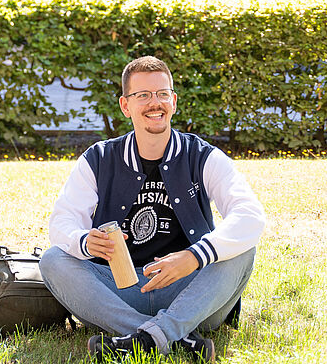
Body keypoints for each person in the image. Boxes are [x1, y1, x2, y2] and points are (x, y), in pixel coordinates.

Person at [40, 56, 266, 362]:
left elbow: (250, 215)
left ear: (174, 101)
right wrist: (84, 241)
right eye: (143, 95)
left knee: (242, 250)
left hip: (188, 293)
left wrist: (194, 257)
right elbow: (62, 222)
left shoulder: (202, 156)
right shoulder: (99, 159)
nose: (154, 103)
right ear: (125, 105)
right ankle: (171, 337)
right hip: (119, 291)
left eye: (162, 94)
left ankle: (139, 339)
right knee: (53, 259)